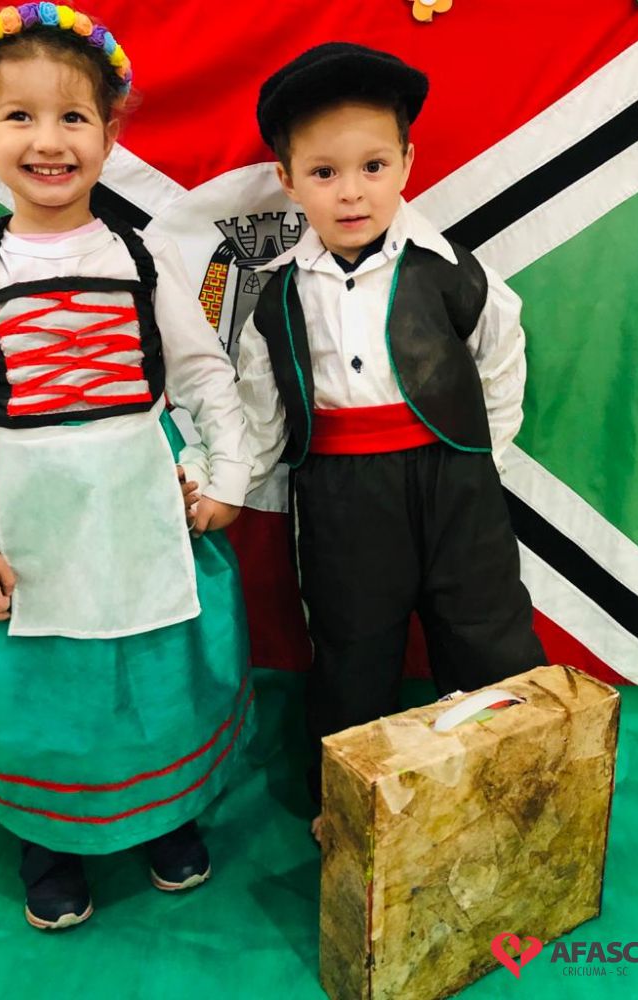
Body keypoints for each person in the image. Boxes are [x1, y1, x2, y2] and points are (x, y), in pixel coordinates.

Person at [0, 4, 253, 929]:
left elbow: (203, 373)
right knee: (41, 688)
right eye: (19, 116)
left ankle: (167, 814)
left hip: (141, 503)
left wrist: (227, 476)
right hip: (30, 516)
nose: (49, 140)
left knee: (157, 672)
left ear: (109, 133)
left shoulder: (144, 256)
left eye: (73, 116)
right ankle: (49, 837)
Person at [237, 43, 546, 839]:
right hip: (342, 494)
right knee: (352, 649)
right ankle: (350, 809)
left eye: (373, 166)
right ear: (288, 180)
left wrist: (479, 459)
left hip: (455, 480)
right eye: (324, 172)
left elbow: (500, 356)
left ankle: (516, 791)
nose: (351, 192)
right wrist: (237, 484)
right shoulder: (276, 296)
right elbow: (261, 408)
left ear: (407, 162)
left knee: (487, 632)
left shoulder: (453, 271)